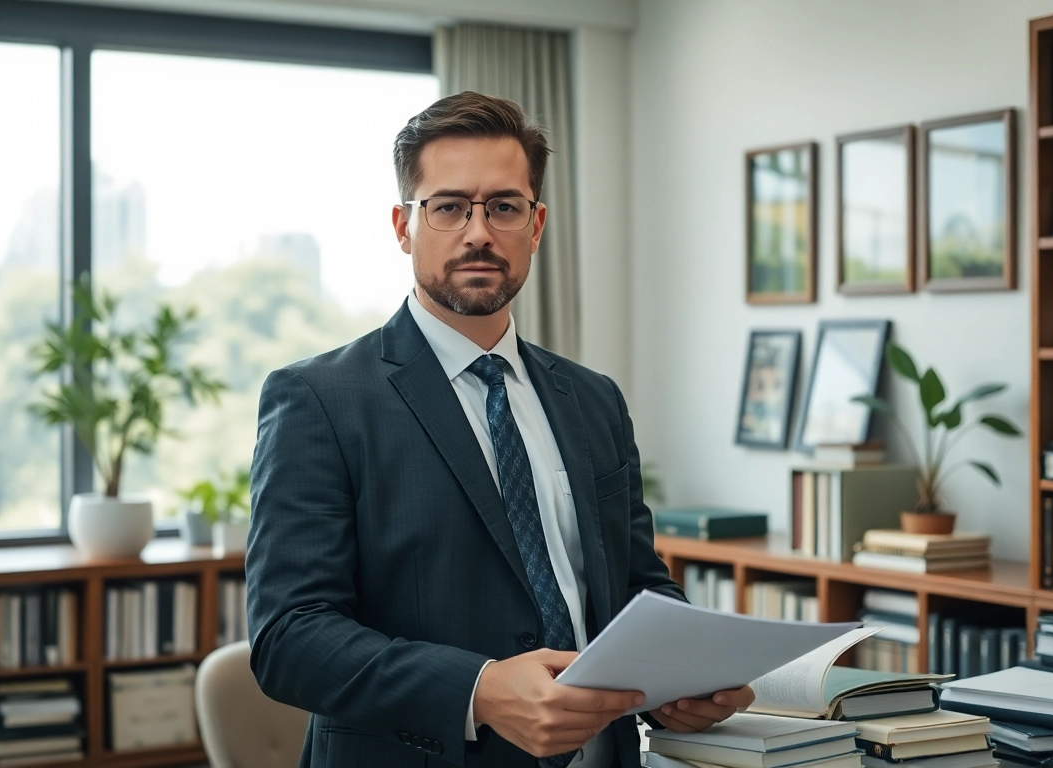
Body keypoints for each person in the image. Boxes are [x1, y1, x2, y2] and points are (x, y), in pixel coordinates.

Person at [245, 91, 754, 768]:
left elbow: (635, 585)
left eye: (504, 207)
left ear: (536, 225)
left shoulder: (593, 399)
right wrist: (479, 691)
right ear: (404, 226)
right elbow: (289, 639)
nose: (478, 232)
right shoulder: (319, 399)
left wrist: (681, 672)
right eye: (449, 207)